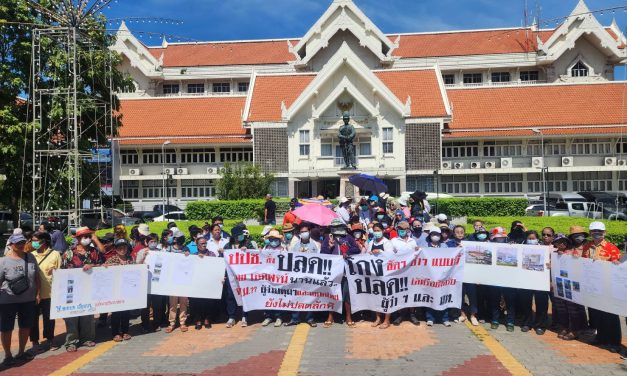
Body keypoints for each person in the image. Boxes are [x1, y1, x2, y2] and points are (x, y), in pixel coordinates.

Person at [0, 232, 40, 366]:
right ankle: (8, 355)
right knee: (6, 328)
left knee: (25, 326)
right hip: (7, 300)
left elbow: (37, 277)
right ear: (11, 245)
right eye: (18, 243)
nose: (22, 245)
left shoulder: (31, 257)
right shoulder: (3, 261)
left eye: (23, 242)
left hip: (28, 300)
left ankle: (21, 352)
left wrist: (38, 293)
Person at [61, 227, 104, 352]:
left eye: (89, 236)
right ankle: (71, 342)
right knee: (72, 316)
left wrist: (93, 266)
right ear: (78, 239)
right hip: (73, 289)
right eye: (85, 237)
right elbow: (62, 271)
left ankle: (87, 338)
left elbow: (101, 266)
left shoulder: (93, 252)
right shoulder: (69, 253)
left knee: (88, 315)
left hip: (89, 289)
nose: (87, 239)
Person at [582, 222, 622, 353]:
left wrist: (617, 264)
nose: (596, 233)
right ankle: (601, 338)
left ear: (604, 233)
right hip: (593, 287)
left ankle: (615, 342)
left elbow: (618, 269)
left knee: (611, 316)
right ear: (590, 232)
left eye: (599, 231)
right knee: (596, 314)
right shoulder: (586, 247)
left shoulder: (612, 248)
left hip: (607, 287)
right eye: (593, 231)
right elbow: (583, 263)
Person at [321, 219, 360, 328]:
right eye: (335, 227)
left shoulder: (348, 238)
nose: (337, 229)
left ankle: (348, 316)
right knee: (332, 294)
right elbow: (323, 253)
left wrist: (347, 252)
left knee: (346, 294)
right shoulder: (328, 238)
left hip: (346, 271)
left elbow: (357, 250)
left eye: (339, 226)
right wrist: (329, 247)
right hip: (332, 271)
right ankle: (330, 316)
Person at [551, 234, 587, 342]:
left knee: (573, 310)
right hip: (558, 285)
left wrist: (571, 258)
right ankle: (564, 327)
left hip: (571, 286)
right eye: (559, 241)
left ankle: (575, 330)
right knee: (561, 308)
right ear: (555, 244)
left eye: (564, 241)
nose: (562, 243)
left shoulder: (573, 252)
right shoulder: (553, 254)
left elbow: (579, 265)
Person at [30, 231, 61, 351]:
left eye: (36, 240)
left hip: (50, 293)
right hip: (33, 294)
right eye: (32, 240)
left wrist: (55, 271)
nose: (33, 243)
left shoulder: (55, 254)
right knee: (33, 318)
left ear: (44, 242)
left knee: (49, 318)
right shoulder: (31, 255)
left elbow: (60, 272)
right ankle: (34, 341)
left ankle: (50, 339)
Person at [285, 224, 319, 327]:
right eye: (302, 232)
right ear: (299, 234)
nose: (304, 233)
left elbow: (319, 260)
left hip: (310, 275)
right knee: (296, 296)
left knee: (310, 297)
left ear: (309, 232)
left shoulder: (315, 245)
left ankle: (310, 318)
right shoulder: (295, 246)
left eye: (305, 231)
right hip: (297, 275)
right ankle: (295, 318)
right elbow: (291, 259)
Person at [224, 224, 256, 328]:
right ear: (234, 237)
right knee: (231, 295)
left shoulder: (247, 243)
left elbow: (255, 255)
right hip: (231, 275)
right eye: (239, 235)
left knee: (244, 294)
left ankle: (244, 316)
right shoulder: (227, 247)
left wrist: (247, 250)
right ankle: (232, 316)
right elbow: (222, 260)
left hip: (244, 275)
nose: (241, 237)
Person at [518, 230, 549, 335]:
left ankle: (540, 325)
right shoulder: (520, 248)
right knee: (525, 303)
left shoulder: (544, 248)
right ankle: (527, 323)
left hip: (540, 280)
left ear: (537, 239)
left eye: (533, 238)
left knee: (541, 304)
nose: (531, 240)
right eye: (529, 239)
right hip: (525, 280)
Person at [136, 233, 167, 332]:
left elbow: (165, 265)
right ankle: (145, 324)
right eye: (151, 241)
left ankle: (156, 324)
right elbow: (137, 265)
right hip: (145, 283)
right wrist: (143, 257)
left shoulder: (160, 252)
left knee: (157, 305)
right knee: (145, 306)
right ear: (146, 242)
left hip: (157, 283)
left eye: (155, 241)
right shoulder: (142, 251)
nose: (153, 243)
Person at [104, 239, 134, 342]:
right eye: (120, 247)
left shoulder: (130, 259)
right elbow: (103, 270)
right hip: (115, 291)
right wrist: (104, 267)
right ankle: (115, 333)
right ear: (116, 249)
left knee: (126, 312)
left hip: (127, 290)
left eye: (124, 247)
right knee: (116, 313)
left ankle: (125, 331)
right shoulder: (112, 260)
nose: (122, 249)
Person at [366, 223, 395, 329]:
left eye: (378, 230)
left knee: (387, 297)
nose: (377, 232)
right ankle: (378, 318)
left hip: (386, 273)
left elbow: (391, 257)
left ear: (383, 231)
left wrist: (380, 251)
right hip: (374, 272)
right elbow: (366, 255)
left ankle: (387, 320)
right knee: (376, 296)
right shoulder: (371, 242)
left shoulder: (387, 243)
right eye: (375, 230)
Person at [488, 227, 516, 332]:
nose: (500, 240)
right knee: (494, 300)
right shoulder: (489, 247)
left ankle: (510, 321)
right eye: (497, 238)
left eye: (502, 238)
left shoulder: (512, 247)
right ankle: (495, 320)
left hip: (508, 279)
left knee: (510, 301)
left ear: (505, 238)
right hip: (494, 278)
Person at [190, 237, 218, 330]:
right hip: (197, 283)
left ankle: (207, 319)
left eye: (205, 243)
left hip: (208, 282)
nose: (204, 245)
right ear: (197, 245)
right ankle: (198, 319)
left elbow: (215, 267)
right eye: (202, 243)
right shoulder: (193, 255)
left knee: (208, 302)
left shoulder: (211, 254)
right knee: (197, 302)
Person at [166, 229, 191, 333]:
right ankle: (171, 323)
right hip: (173, 280)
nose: (181, 240)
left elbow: (190, 262)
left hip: (184, 280)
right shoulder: (169, 249)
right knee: (172, 303)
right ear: (175, 239)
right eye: (179, 238)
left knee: (184, 302)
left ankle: (182, 322)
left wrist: (188, 255)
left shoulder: (186, 249)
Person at [261, 230, 287, 327]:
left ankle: (279, 317)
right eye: (271, 239)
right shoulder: (265, 248)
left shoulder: (283, 249)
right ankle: (268, 316)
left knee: (278, 297)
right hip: (267, 278)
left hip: (279, 278)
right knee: (268, 297)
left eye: (275, 239)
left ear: (279, 240)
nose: (273, 241)